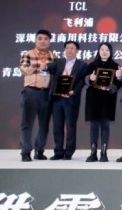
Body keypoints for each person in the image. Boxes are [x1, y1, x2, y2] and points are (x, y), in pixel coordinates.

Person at [46, 41, 88, 160]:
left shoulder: (82, 65)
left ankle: (69, 152)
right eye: (67, 48)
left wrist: (73, 91)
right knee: (57, 126)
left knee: (71, 126)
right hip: (57, 99)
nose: (69, 50)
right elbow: (46, 68)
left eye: (72, 48)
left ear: (77, 51)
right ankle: (58, 151)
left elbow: (82, 81)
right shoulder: (58, 62)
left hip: (71, 99)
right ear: (64, 50)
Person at [19, 29, 55, 162]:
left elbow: (56, 72)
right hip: (31, 92)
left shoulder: (53, 56)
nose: (42, 41)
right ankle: (26, 152)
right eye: (40, 38)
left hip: (46, 93)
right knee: (27, 124)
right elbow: (24, 70)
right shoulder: (28, 54)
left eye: (46, 39)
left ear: (49, 41)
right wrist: (41, 65)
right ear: (35, 40)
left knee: (44, 125)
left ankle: (39, 151)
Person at [84, 43, 122, 162]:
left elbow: (119, 83)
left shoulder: (115, 66)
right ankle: (93, 153)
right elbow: (85, 79)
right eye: (102, 49)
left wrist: (118, 78)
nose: (104, 52)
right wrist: (90, 79)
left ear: (110, 52)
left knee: (105, 125)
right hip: (93, 98)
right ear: (99, 51)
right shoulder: (92, 65)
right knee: (94, 125)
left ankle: (104, 153)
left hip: (108, 98)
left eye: (107, 50)